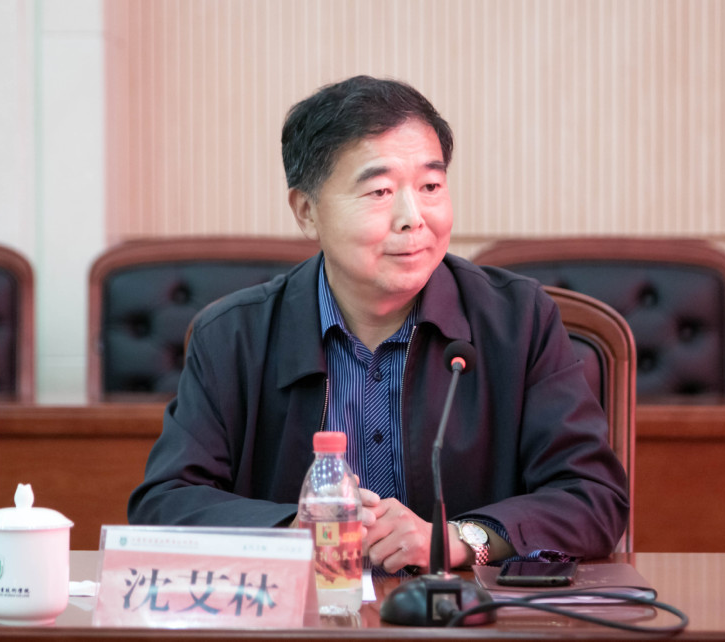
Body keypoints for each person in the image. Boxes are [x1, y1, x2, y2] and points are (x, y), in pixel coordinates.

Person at [128, 75, 629, 573]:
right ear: (307, 211)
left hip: (462, 611)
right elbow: (165, 503)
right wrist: (290, 533)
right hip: (308, 611)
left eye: (431, 186)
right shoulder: (233, 337)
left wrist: (456, 539)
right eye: (380, 191)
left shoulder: (519, 321)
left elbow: (593, 496)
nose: (413, 217)